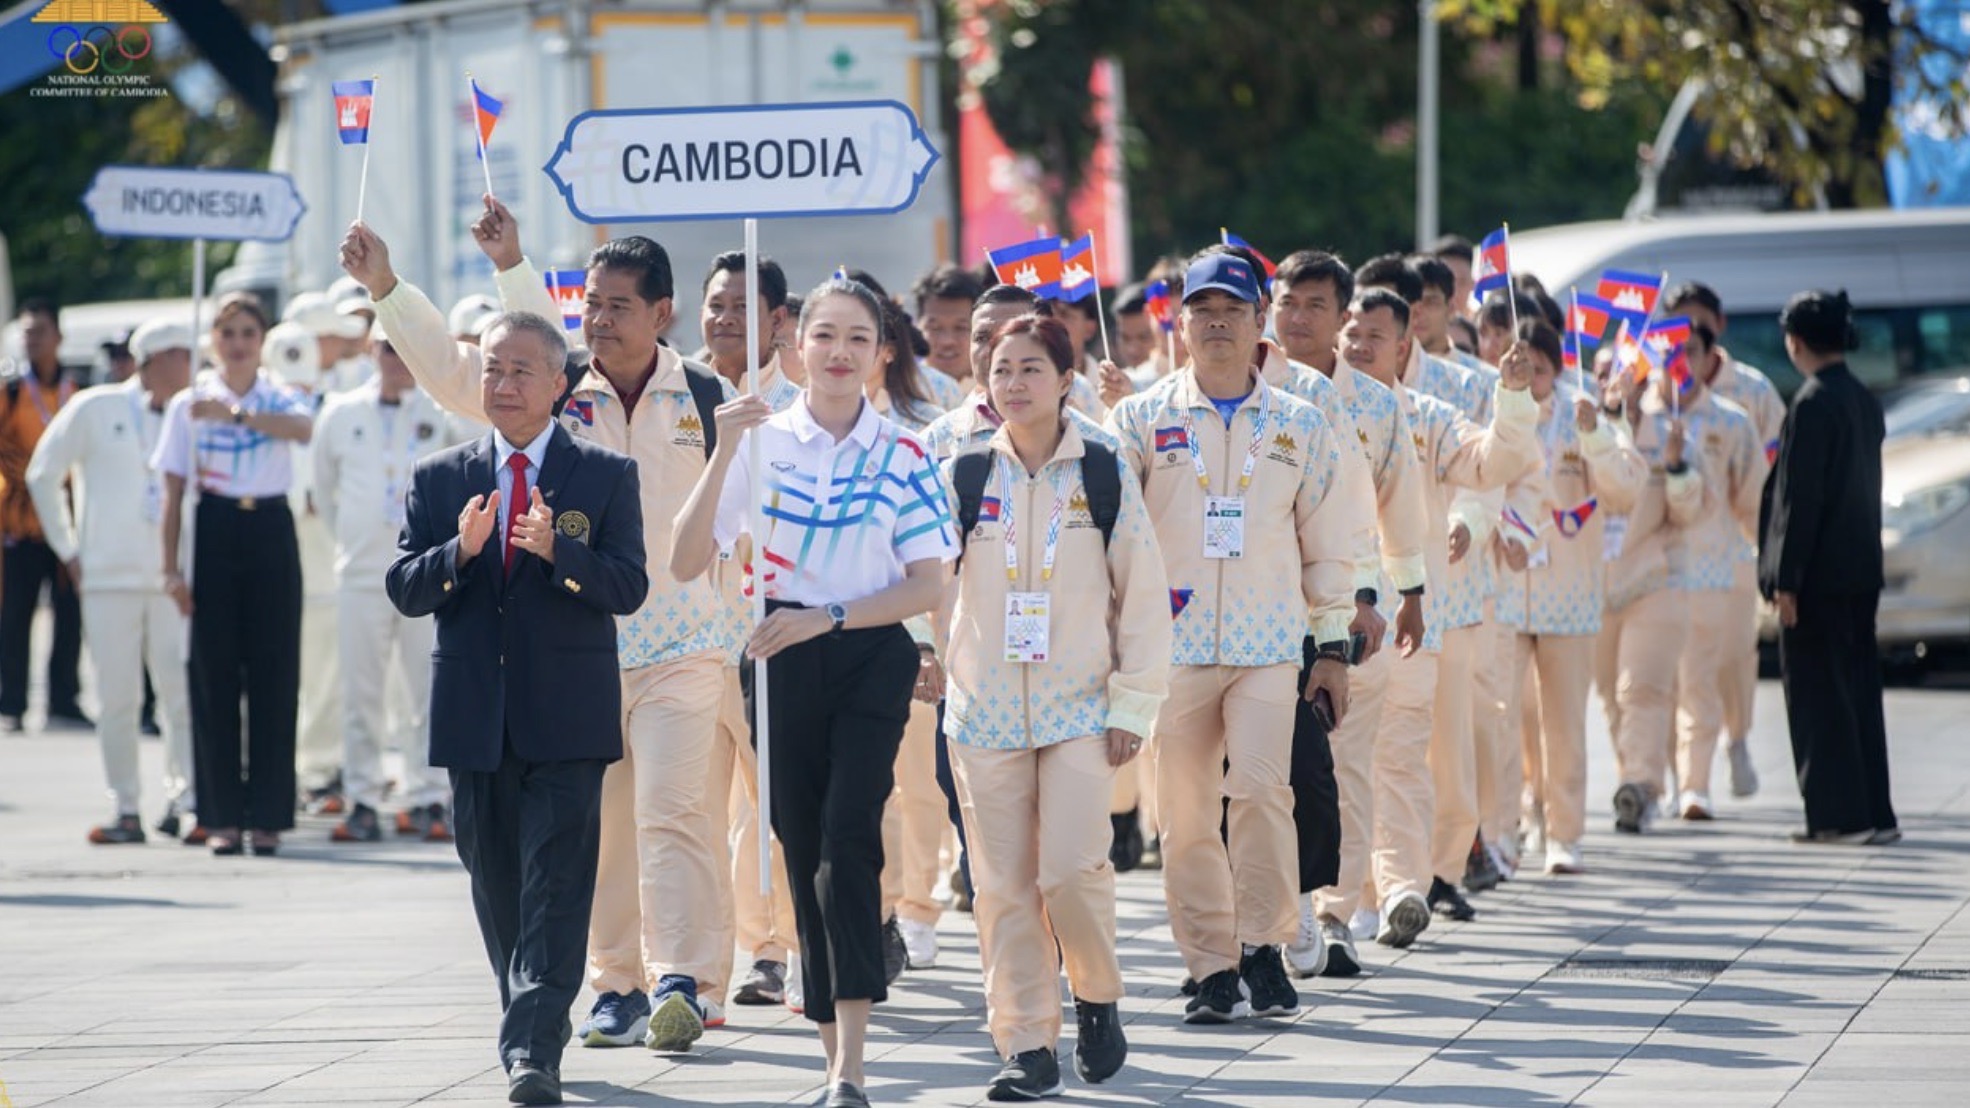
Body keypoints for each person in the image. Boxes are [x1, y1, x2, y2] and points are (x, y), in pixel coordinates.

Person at [346, 199, 741, 1052]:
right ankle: (617, 987)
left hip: (683, 645)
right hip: (576, 661)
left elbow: (747, 511)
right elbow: (471, 369)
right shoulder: (561, 392)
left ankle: (684, 978)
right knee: (592, 838)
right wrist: (387, 288)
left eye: (616, 307)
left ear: (662, 313)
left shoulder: (708, 393)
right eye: (589, 306)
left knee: (675, 813)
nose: (596, 321)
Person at [670, 275, 958, 1108]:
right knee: (802, 844)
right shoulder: (760, 442)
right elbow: (688, 560)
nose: (839, 354)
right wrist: (723, 447)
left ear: (881, 353)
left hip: (869, 653)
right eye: (824, 336)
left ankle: (853, 1064)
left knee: (848, 837)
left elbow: (927, 586)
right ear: (795, 347)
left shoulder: (904, 452)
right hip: (776, 658)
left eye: (858, 339)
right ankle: (834, 1049)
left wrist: (827, 617)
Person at [386, 309, 649, 1107]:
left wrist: (557, 552)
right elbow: (404, 587)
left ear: (559, 385)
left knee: (557, 884)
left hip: (567, 719)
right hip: (475, 720)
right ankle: (526, 1025)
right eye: (493, 369)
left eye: (521, 370)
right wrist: (458, 554)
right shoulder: (442, 478)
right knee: (496, 884)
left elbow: (626, 587)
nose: (503, 384)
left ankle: (534, 1048)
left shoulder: (605, 476)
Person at [1104, 252, 1355, 1025]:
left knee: (1259, 792)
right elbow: (1114, 540)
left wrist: (1334, 647)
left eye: (1233, 310)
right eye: (1201, 309)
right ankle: (1211, 966)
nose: (1217, 322)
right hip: (1171, 651)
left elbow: (1329, 541)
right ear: (1178, 325)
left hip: (1269, 646)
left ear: (1258, 327)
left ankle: (1264, 948)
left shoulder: (1300, 423)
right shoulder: (1139, 420)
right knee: (1182, 816)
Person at [935, 313, 1169, 1100]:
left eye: (1032, 368)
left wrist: (1133, 703)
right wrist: (927, 655)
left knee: (1070, 871)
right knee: (1002, 888)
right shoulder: (963, 474)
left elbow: (1142, 595)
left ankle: (1097, 996)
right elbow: (925, 578)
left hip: (1079, 709)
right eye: (1001, 369)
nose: (1014, 384)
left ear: (1066, 379)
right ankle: (1026, 1043)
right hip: (983, 713)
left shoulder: (1101, 471)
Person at [153, 293, 314, 857]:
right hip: (214, 525)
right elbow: (171, 491)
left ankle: (269, 814)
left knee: (274, 674)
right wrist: (170, 566)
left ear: (262, 337)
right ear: (213, 340)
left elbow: (302, 430)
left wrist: (238, 416)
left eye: (248, 332)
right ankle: (219, 814)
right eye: (228, 333)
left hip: (269, 525)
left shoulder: (280, 393)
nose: (239, 344)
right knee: (213, 674)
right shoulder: (188, 403)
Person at [26, 317, 197, 843]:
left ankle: (186, 799)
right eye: (183, 355)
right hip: (108, 579)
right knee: (118, 698)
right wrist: (70, 548)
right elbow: (42, 472)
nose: (193, 365)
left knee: (181, 693)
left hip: (173, 579)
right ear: (156, 358)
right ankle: (125, 806)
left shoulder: (195, 412)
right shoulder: (96, 407)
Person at [1492, 320, 1646, 875]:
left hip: (1571, 596)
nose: (1528, 374)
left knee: (1563, 725)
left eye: (1538, 364)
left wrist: (1599, 435)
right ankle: (1502, 832)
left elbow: (1626, 490)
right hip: (1506, 591)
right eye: (1519, 362)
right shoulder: (1496, 410)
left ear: (1557, 366)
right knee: (1504, 720)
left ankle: (1565, 834)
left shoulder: (1585, 414)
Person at [314, 325, 467, 842]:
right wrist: (352, 546)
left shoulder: (435, 410)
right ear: (371, 351)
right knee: (361, 693)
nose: (397, 359)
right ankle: (361, 797)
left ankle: (427, 796)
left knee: (425, 691)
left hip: (422, 573)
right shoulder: (340, 411)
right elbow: (324, 489)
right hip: (360, 575)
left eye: (406, 347)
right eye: (387, 347)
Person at [1758, 290, 1896, 845]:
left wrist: (1785, 579)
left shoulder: (1814, 403)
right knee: (1858, 688)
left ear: (1796, 342)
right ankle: (1874, 811)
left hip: (1818, 576)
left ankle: (1839, 815)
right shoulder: (1862, 397)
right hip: (1859, 567)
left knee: (1820, 694)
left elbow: (1799, 502)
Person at [1664, 280, 1785, 799]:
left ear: (1716, 332)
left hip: (1733, 554)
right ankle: (1684, 782)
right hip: (1668, 562)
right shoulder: (1653, 397)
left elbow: (1769, 476)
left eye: (1697, 331)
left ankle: (1737, 739)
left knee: (1732, 663)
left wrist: (1771, 554)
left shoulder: (1751, 393)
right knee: (1674, 675)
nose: (1686, 346)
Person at [1592, 348, 1702, 836]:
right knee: (1611, 700)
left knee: (1642, 690)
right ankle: (1633, 783)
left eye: (1622, 374)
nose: (1612, 383)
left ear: (1642, 381)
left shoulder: (1668, 432)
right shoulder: (1579, 429)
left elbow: (1688, 512)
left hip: (1654, 580)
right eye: (1602, 375)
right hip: (1590, 586)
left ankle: (1640, 784)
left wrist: (1677, 468)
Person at [0, 298, 87, 732]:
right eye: (27, 333)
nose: (33, 341)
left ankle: (63, 700)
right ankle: (12, 701)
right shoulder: (11, 392)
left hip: (67, 522)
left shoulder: (77, 392)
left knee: (70, 613)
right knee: (15, 614)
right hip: (19, 523)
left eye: (40, 332)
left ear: (58, 336)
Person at [911, 262, 985, 389]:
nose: (947, 341)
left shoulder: (999, 396)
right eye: (935, 328)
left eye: (960, 328)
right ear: (917, 327)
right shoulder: (899, 394)